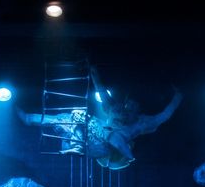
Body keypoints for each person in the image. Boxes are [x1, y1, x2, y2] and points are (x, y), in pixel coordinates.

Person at [16, 65, 182, 170]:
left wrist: (178, 97)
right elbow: (101, 91)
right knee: (71, 115)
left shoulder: (142, 123)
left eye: (133, 106)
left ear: (139, 109)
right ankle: (30, 118)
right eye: (128, 104)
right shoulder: (114, 109)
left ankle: (78, 145)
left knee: (110, 134)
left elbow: (165, 114)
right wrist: (94, 73)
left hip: (108, 149)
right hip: (94, 138)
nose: (128, 108)